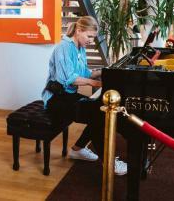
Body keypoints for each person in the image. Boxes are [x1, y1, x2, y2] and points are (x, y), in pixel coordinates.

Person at [42, 16, 127, 175]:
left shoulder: (79, 47)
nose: (91, 40)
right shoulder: (64, 47)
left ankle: (77, 149)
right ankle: (108, 162)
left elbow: (84, 73)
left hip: (67, 96)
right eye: (89, 36)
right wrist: (96, 83)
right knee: (96, 114)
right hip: (56, 98)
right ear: (79, 31)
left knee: (98, 112)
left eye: (93, 37)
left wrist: (105, 73)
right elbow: (69, 79)